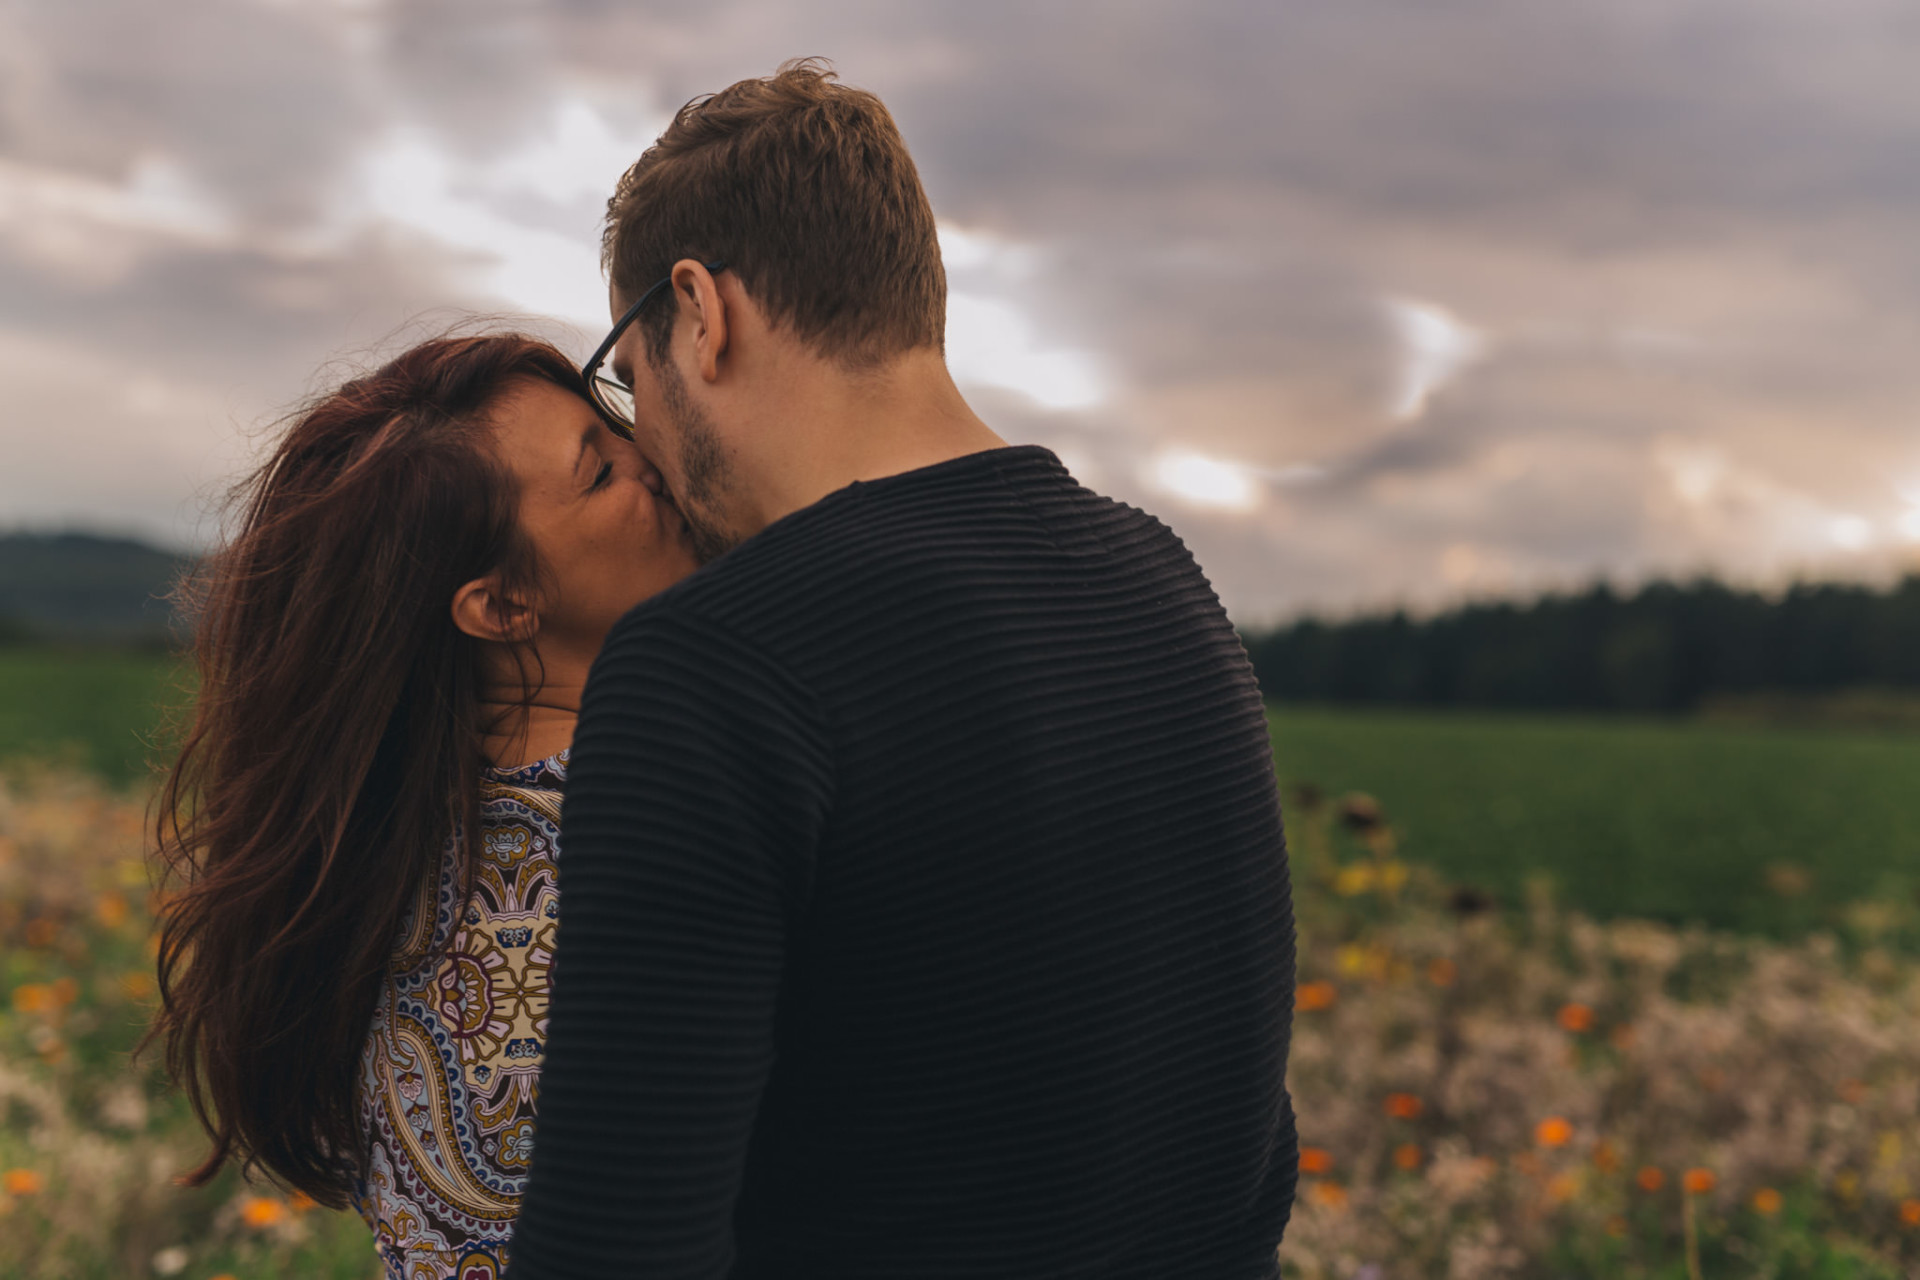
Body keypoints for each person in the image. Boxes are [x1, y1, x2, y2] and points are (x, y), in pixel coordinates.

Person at [506, 61, 1298, 1279]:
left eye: (626, 373)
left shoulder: (714, 664)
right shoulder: (1160, 577)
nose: (643, 445)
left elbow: (615, 1248)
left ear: (700, 312)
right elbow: (1239, 1150)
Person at [148, 334, 699, 1279]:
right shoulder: (657, 833)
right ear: (503, 607)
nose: (651, 461)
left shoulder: (390, 863)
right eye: (599, 472)